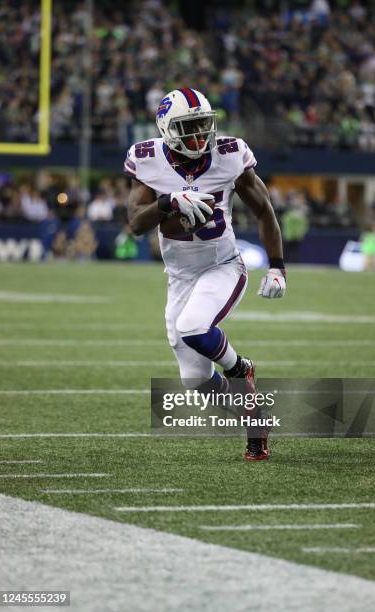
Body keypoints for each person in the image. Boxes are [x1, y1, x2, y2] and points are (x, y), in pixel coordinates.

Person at [126, 88, 286, 461]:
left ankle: (240, 367)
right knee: (194, 380)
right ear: (167, 129)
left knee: (194, 327)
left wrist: (277, 266)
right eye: (189, 127)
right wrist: (167, 202)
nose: (200, 135)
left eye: (203, 125)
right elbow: (135, 224)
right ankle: (255, 419)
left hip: (222, 266)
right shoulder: (146, 159)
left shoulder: (229, 155)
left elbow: (264, 211)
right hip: (180, 277)